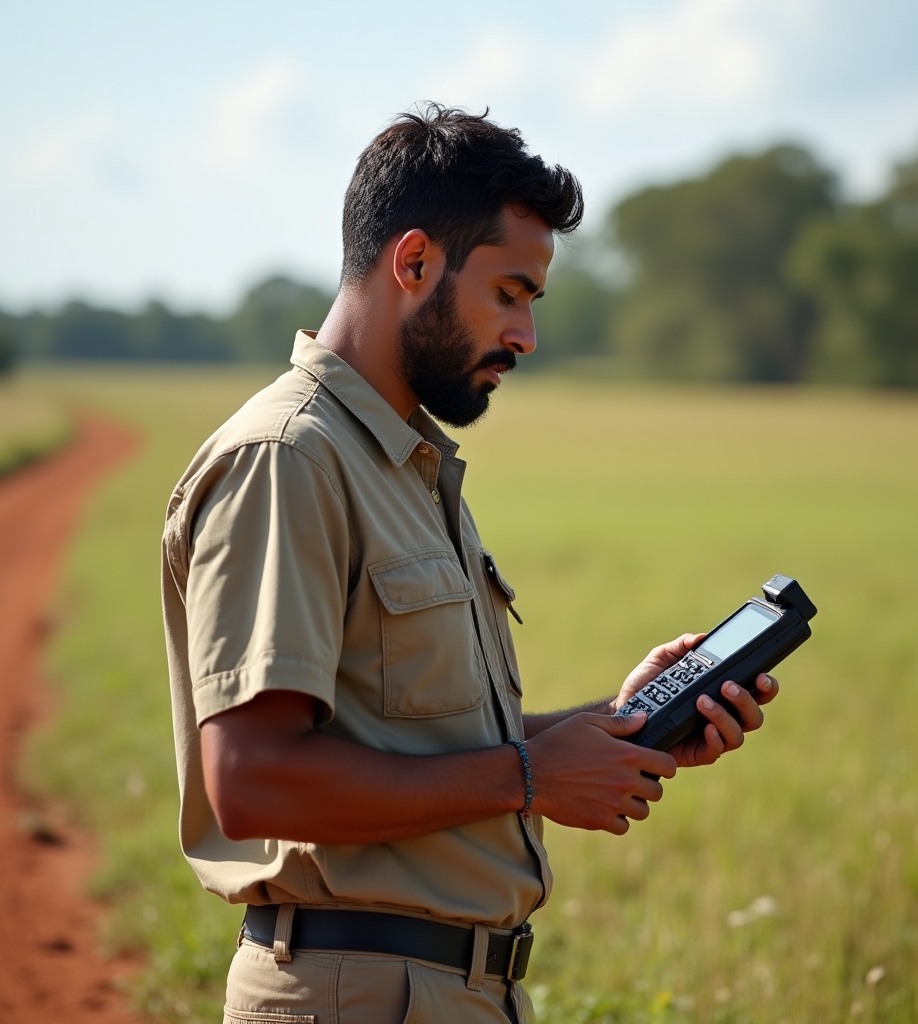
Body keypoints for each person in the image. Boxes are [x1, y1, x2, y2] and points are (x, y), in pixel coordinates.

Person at [161, 105, 779, 1024]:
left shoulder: (402, 464)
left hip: (457, 992)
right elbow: (251, 780)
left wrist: (615, 725)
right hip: (356, 994)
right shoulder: (289, 458)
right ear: (413, 264)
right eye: (511, 293)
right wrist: (532, 776)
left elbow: (409, 738)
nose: (526, 334)